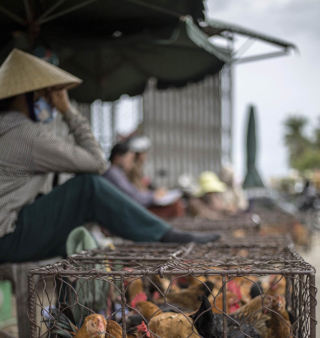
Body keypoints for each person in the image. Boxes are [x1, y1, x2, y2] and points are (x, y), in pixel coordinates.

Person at [0, 49, 221, 263]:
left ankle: (71, 299)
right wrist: (68, 111)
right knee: (87, 187)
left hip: (7, 234)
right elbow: (97, 163)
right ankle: (165, 237)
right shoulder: (24, 134)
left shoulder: (7, 128)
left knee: (78, 238)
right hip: (7, 236)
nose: (52, 103)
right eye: (48, 95)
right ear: (27, 95)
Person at [104, 142, 166, 208]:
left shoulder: (117, 173)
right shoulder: (113, 174)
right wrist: (154, 195)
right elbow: (133, 196)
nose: (131, 162)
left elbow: (134, 192)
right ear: (118, 157)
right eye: (129, 158)